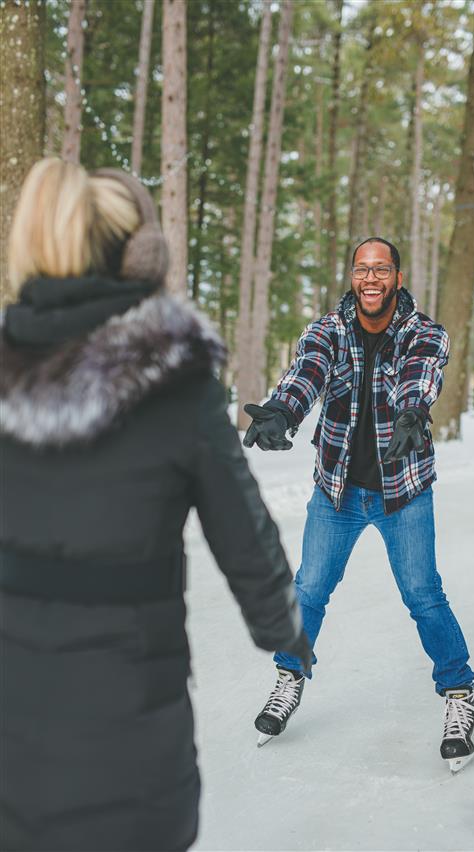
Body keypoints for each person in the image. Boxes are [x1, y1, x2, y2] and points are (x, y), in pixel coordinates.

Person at [0, 158, 311, 851]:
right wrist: (283, 627)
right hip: (131, 731)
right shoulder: (175, 378)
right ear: (139, 258)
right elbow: (245, 533)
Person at [243, 237, 474, 771]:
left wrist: (412, 415)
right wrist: (283, 410)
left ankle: (461, 698)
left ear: (397, 276)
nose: (370, 278)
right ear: (352, 277)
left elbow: (421, 373)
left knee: (423, 594)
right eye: (361, 269)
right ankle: (289, 678)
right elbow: (309, 369)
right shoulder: (328, 330)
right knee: (308, 587)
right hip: (338, 492)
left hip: (403, 492)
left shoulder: (425, 333)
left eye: (381, 269)